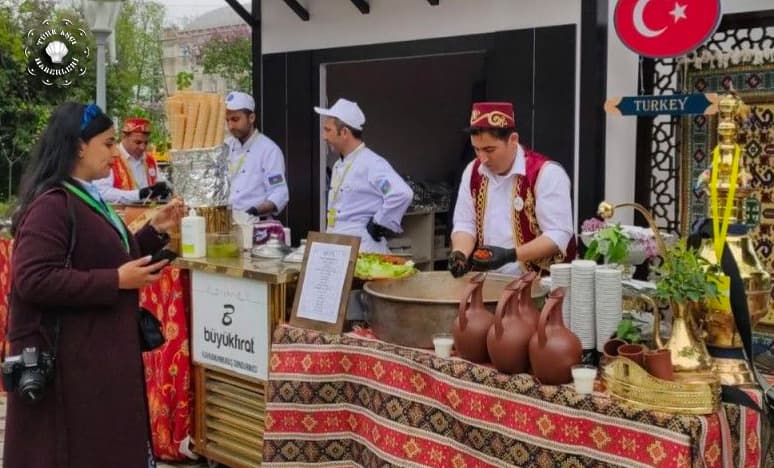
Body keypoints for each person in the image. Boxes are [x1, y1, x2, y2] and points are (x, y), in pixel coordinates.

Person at [3, 102, 185, 468]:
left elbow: (105, 253)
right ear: (79, 146)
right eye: (108, 143)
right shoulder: (52, 204)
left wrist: (152, 233)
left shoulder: (83, 195)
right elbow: (33, 279)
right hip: (72, 363)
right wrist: (115, 281)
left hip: (94, 357)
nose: (115, 152)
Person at [448, 102, 576, 277]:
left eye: (489, 149)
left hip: (538, 283)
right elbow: (465, 223)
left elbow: (558, 234)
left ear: (513, 140)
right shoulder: (473, 171)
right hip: (488, 280)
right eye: (476, 149)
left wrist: (511, 255)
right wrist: (460, 253)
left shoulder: (546, 173)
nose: (482, 158)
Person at [314, 98, 413, 253]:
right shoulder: (338, 164)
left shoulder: (371, 164)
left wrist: (378, 223)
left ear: (344, 132)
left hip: (363, 249)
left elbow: (400, 193)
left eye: (328, 130)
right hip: (338, 246)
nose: (324, 136)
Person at [225, 91, 289, 217]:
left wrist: (253, 211)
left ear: (251, 118)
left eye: (235, 119)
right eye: (227, 120)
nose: (230, 126)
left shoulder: (269, 150)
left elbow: (279, 192)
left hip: (255, 223)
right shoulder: (225, 147)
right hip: (227, 222)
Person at [95, 117, 171, 203]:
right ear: (124, 137)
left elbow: (159, 183)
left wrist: (165, 189)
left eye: (146, 143)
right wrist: (139, 194)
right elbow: (102, 192)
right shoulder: (111, 157)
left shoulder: (149, 160)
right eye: (138, 142)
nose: (142, 147)